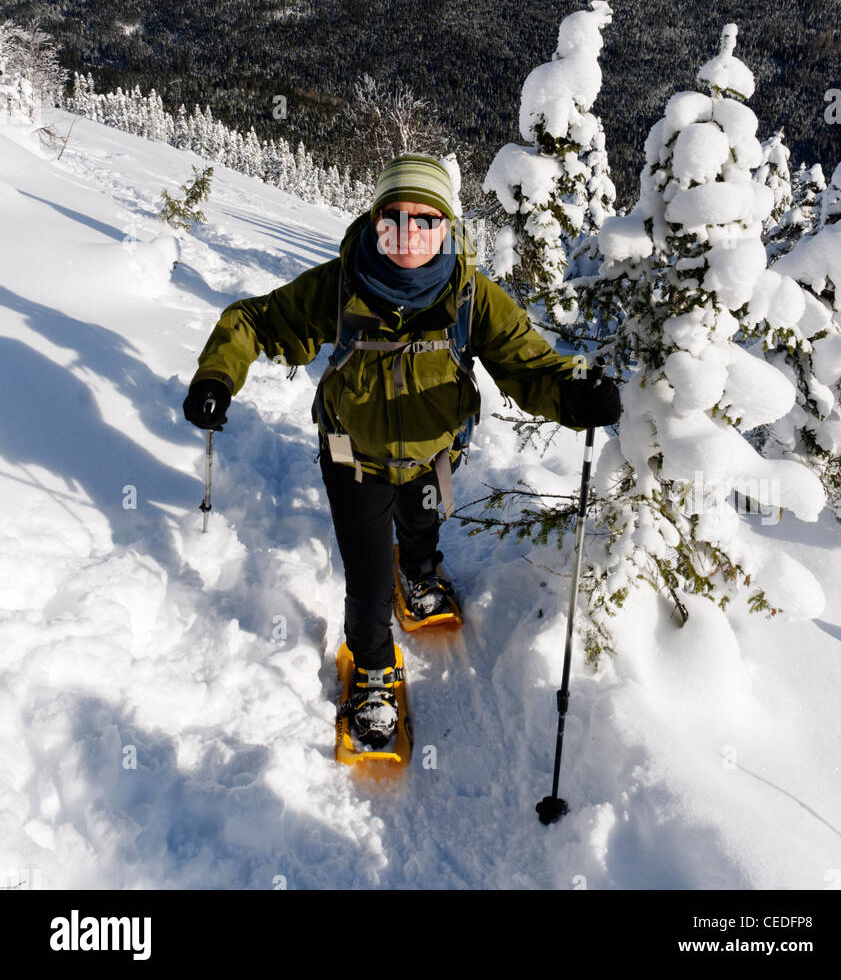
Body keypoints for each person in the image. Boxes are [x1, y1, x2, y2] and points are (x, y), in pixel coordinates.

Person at [183, 153, 621, 747]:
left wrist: (575, 396)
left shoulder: (472, 298)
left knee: (421, 527)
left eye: (426, 220)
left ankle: (417, 572)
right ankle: (370, 665)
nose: (408, 235)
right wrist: (217, 378)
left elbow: (531, 367)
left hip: (434, 456)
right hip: (352, 460)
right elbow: (256, 321)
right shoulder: (340, 286)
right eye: (393, 219)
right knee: (366, 584)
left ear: (448, 228)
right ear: (372, 222)